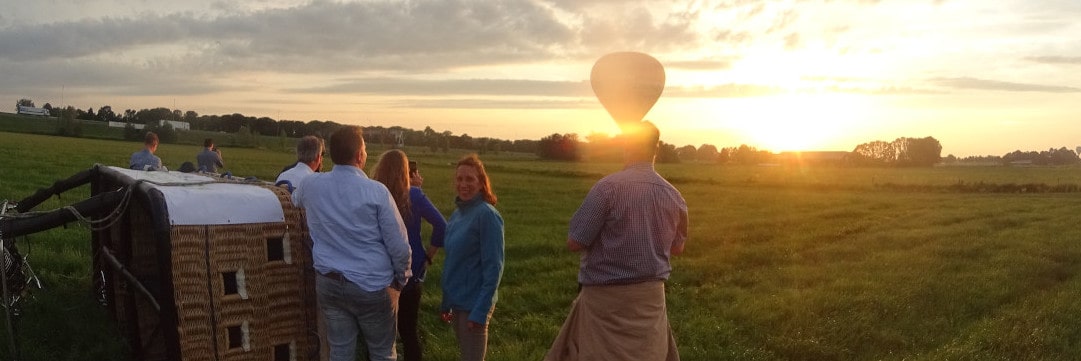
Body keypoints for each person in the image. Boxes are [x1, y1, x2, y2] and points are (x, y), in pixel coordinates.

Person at [543, 121, 688, 361]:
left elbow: (575, 241)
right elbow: (678, 248)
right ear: (656, 148)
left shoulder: (606, 189)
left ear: (627, 146)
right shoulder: (673, 195)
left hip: (604, 302)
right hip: (650, 299)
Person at [292, 125, 411, 361]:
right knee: (382, 352)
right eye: (365, 148)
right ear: (359, 155)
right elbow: (399, 244)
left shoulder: (311, 185)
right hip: (372, 285)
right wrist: (402, 277)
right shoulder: (377, 192)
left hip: (329, 283)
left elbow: (295, 200)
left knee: (340, 351)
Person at [371, 155, 446, 361]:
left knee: (378, 337)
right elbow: (441, 225)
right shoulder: (414, 195)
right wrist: (428, 256)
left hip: (378, 273)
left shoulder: (374, 193)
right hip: (410, 272)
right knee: (409, 333)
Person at [440, 153, 504, 361]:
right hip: (458, 302)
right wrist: (446, 302)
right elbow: (453, 263)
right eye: (459, 179)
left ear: (481, 183)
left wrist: (480, 311)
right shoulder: (458, 214)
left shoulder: (487, 215)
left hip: (475, 304)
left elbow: (494, 269)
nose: (463, 184)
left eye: (470, 179)